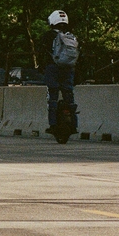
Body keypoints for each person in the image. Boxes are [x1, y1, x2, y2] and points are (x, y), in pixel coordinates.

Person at [41, 10, 79, 141]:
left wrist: (41, 67)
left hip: (53, 68)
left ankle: (52, 124)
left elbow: (42, 54)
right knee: (69, 95)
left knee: (53, 95)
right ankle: (74, 124)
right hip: (68, 69)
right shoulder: (70, 36)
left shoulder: (48, 36)